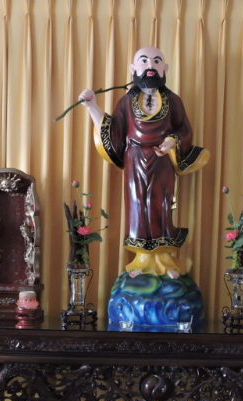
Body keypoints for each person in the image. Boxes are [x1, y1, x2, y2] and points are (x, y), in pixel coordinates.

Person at [79, 46, 209, 277]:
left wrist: (171, 141)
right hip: (134, 160)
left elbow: (185, 130)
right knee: (137, 205)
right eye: (144, 61)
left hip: (162, 161)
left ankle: (165, 259)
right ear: (133, 68)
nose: (150, 66)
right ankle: (141, 260)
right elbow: (113, 133)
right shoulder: (126, 102)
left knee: (162, 205)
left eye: (156, 61)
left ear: (165, 68)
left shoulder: (173, 101)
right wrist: (92, 107)